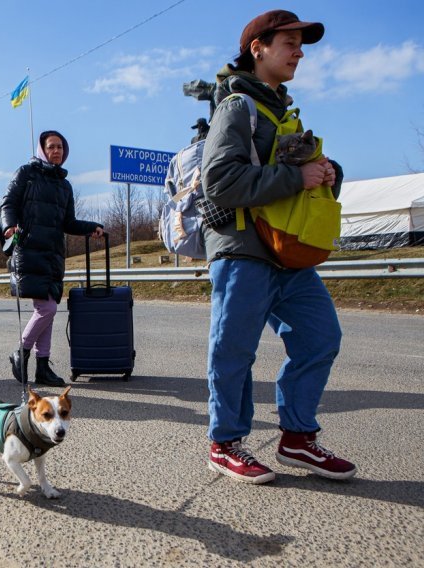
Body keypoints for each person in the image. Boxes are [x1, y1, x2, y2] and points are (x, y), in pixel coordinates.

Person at [200, 10, 355, 484]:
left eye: (301, 44)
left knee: (320, 336)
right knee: (234, 349)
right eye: (290, 42)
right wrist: (296, 176)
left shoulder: (284, 112)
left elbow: (295, 178)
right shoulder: (236, 106)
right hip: (243, 245)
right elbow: (219, 181)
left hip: (286, 250)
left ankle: (296, 438)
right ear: (258, 48)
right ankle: (225, 443)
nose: (299, 52)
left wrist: (327, 173)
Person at [1, 130, 104, 387]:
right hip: (30, 249)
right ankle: (21, 352)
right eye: (51, 146)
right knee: (46, 309)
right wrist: (9, 225)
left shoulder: (64, 185)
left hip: (53, 254)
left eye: (60, 147)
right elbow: (8, 203)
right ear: (42, 149)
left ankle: (42, 368)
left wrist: (91, 226)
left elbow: (68, 222)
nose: (56, 151)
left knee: (47, 310)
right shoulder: (26, 174)